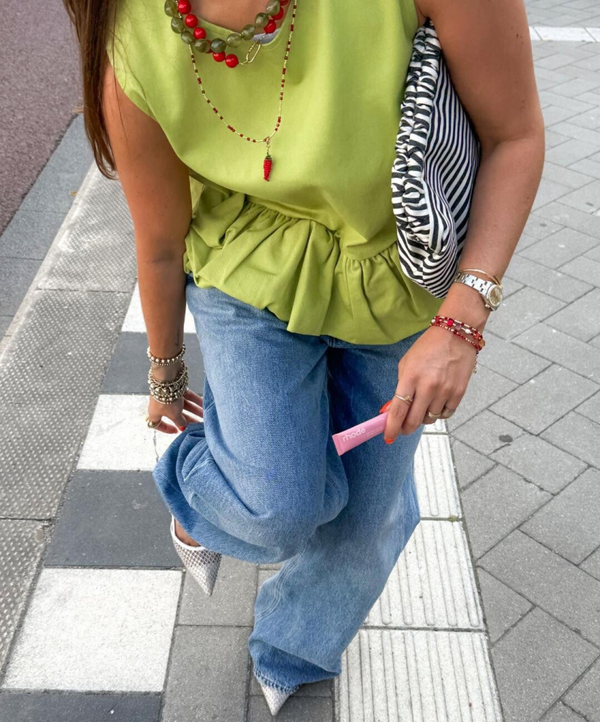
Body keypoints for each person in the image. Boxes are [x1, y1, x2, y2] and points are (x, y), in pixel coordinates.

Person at [64, 0, 544, 715]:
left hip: (399, 274)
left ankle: (292, 647)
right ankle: (203, 500)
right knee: (275, 505)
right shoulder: (131, 33)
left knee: (363, 522)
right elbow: (161, 240)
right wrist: (165, 372)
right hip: (247, 267)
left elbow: (516, 135)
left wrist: (461, 324)